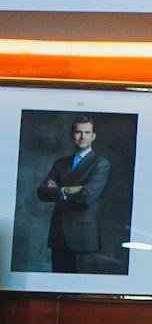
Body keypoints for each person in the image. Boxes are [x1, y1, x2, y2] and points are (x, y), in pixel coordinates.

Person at [37, 115, 112, 273]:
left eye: (86, 132)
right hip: (58, 236)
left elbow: (86, 197)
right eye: (78, 132)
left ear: (93, 136)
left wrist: (58, 190)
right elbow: (42, 192)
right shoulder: (60, 163)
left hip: (83, 237)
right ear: (73, 134)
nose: (82, 136)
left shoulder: (100, 163)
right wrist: (68, 190)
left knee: (78, 290)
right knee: (57, 288)